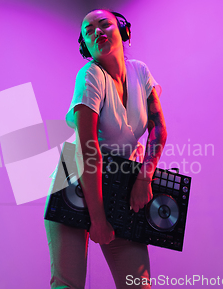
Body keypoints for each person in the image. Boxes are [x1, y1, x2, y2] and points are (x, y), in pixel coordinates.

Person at [45, 9, 167, 289]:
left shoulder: (140, 71)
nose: (96, 32)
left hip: (119, 182)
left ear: (122, 31)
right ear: (84, 45)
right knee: (68, 284)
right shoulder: (89, 75)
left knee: (136, 284)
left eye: (104, 24)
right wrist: (97, 218)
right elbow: (88, 148)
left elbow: (158, 129)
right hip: (75, 181)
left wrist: (144, 177)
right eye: (88, 31)